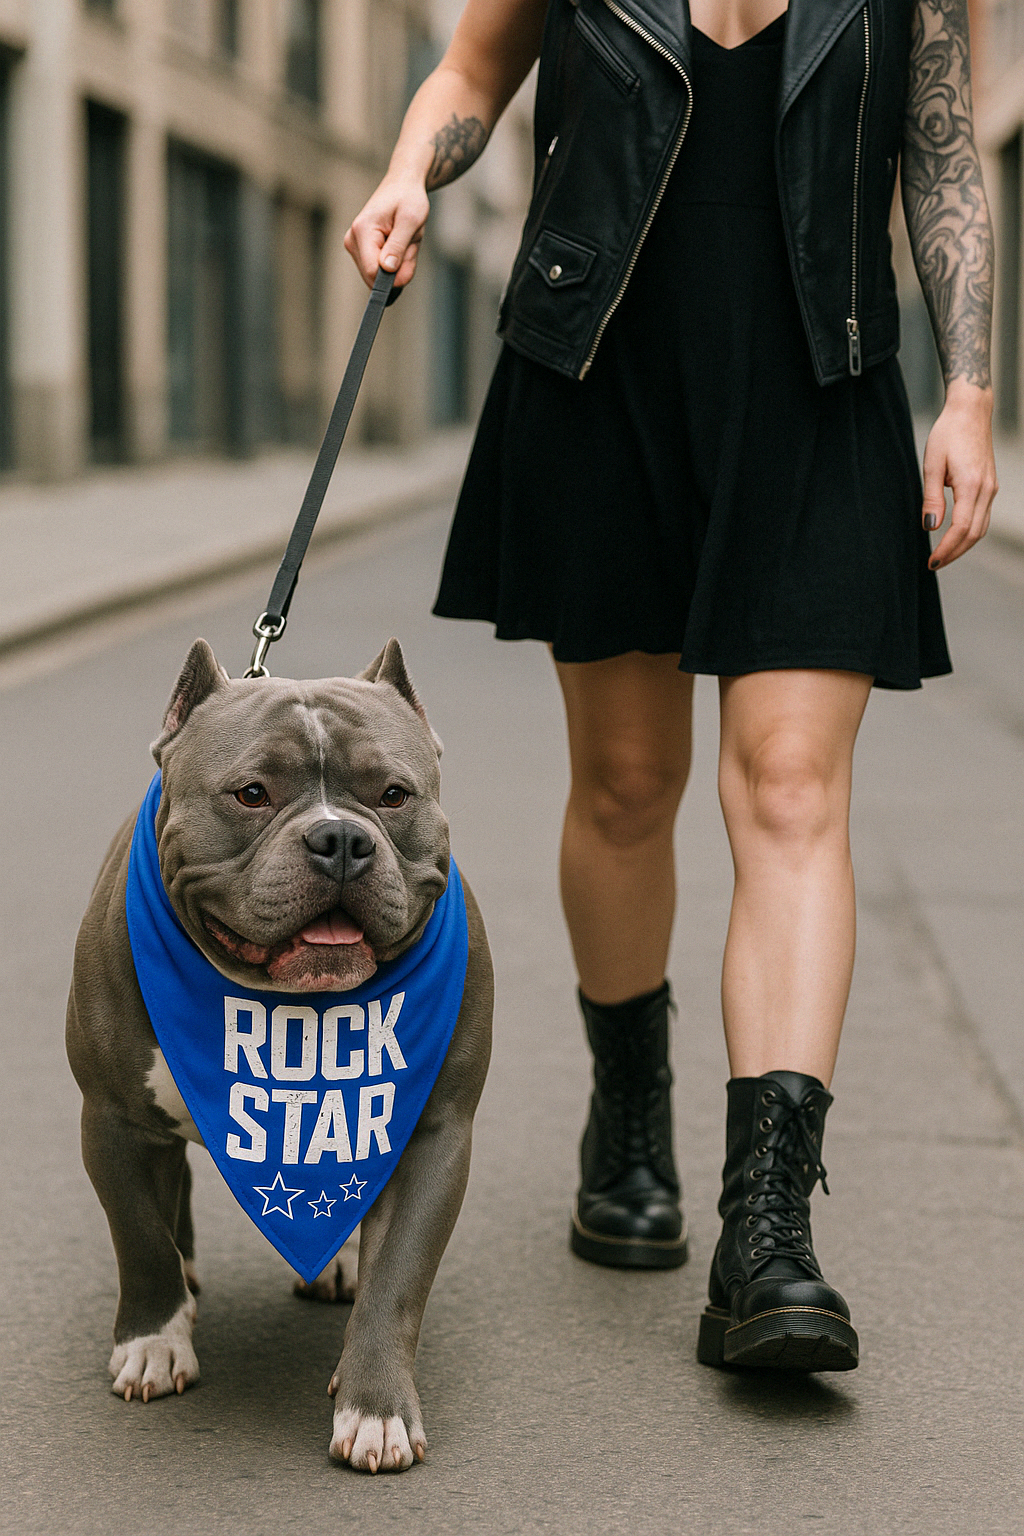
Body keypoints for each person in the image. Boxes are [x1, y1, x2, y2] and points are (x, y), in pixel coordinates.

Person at [345, 0, 997, 1371]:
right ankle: (628, 1110)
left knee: (793, 788)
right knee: (630, 786)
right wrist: (411, 171)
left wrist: (970, 391)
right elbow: (472, 68)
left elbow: (943, 150)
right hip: (605, 371)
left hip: (827, 378)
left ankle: (767, 1237)